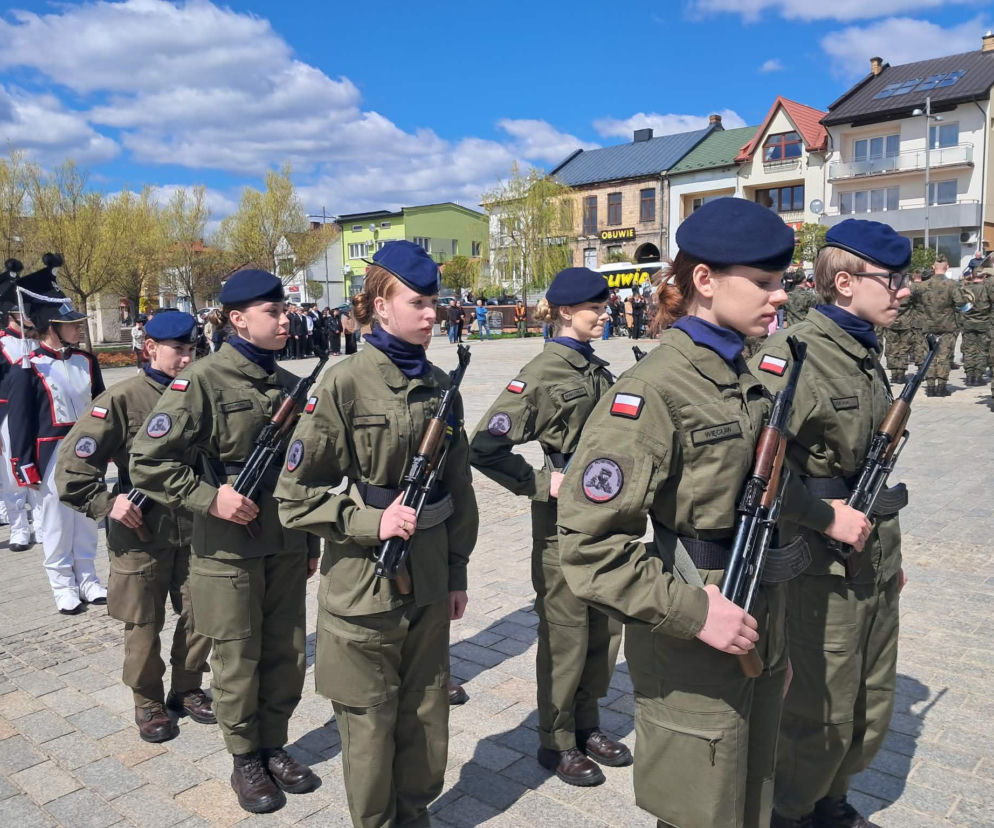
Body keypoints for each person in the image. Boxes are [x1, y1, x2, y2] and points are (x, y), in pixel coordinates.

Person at [555, 199, 870, 828]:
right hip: (694, 631)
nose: (779, 298)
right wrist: (696, 612)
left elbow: (769, 490)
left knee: (751, 799)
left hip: (760, 615)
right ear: (704, 281)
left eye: (780, 283)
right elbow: (589, 549)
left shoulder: (745, 375)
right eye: (761, 283)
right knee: (702, 807)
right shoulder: (654, 391)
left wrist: (823, 520)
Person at [275, 240, 478, 827]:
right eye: (417, 302)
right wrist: (371, 521)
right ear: (381, 306)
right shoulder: (344, 385)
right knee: (369, 727)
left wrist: (458, 570)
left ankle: (414, 815)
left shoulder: (444, 385)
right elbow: (294, 497)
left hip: (432, 580)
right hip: (365, 589)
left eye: (434, 302)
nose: (431, 313)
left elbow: (458, 491)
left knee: (426, 716)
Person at [128, 269, 320, 814]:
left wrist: (309, 544)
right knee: (237, 656)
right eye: (273, 312)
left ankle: (274, 744)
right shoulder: (202, 381)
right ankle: (245, 759)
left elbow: (298, 471)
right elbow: (148, 461)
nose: (285, 319)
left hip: (283, 540)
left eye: (285, 311)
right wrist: (210, 498)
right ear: (237, 319)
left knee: (285, 652)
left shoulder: (288, 384)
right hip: (228, 545)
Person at [750, 219, 910, 828]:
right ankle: (790, 811)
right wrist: (821, 515)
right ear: (844, 282)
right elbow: (754, 467)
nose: (904, 291)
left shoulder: (864, 348)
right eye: (890, 279)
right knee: (818, 707)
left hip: (871, 557)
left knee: (870, 696)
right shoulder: (793, 354)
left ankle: (829, 799)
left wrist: (890, 562)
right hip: (820, 567)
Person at [469, 267, 630, 787]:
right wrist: (542, 484)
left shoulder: (597, 369)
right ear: (565, 312)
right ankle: (555, 741)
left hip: (607, 520)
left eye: (605, 307)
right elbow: (484, 447)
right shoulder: (541, 373)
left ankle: (587, 725)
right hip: (562, 525)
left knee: (604, 631)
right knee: (566, 635)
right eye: (595, 308)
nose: (604, 314)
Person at [56, 312, 214, 743]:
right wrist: (107, 503)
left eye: (191, 350)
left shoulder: (202, 394)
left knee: (203, 614)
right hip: (140, 531)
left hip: (196, 527)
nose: (187, 358)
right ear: (150, 349)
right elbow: (73, 471)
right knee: (143, 624)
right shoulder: (122, 400)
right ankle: (148, 702)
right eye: (177, 350)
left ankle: (188, 687)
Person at [8, 259, 108, 614]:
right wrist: (23, 465)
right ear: (52, 327)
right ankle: (62, 584)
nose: (79, 329)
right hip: (49, 454)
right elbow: (20, 422)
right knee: (54, 522)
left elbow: (101, 405)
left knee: (87, 518)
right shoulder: (29, 367)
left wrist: (107, 444)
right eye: (71, 325)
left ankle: (89, 578)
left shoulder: (86, 361)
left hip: (86, 450)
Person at [0, 263, 40, 553]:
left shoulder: (37, 342)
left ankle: (40, 522)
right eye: (24, 311)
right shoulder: (1, 345)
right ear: (13, 315)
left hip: (38, 414)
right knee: (12, 475)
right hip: (8, 416)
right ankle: (18, 528)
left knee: (37, 470)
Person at [915, 253, 970, 396]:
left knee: (929, 356)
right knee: (944, 357)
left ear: (933, 267)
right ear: (947, 267)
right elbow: (961, 303)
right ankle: (941, 387)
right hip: (947, 327)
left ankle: (931, 387)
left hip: (927, 326)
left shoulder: (922, 286)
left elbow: (911, 301)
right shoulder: (952, 285)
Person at [960, 267, 992, 386]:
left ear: (972, 276)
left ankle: (969, 376)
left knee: (969, 350)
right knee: (982, 351)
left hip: (968, 323)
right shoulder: (986, 289)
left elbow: (960, 306)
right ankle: (978, 376)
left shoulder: (965, 289)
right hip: (984, 323)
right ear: (983, 276)